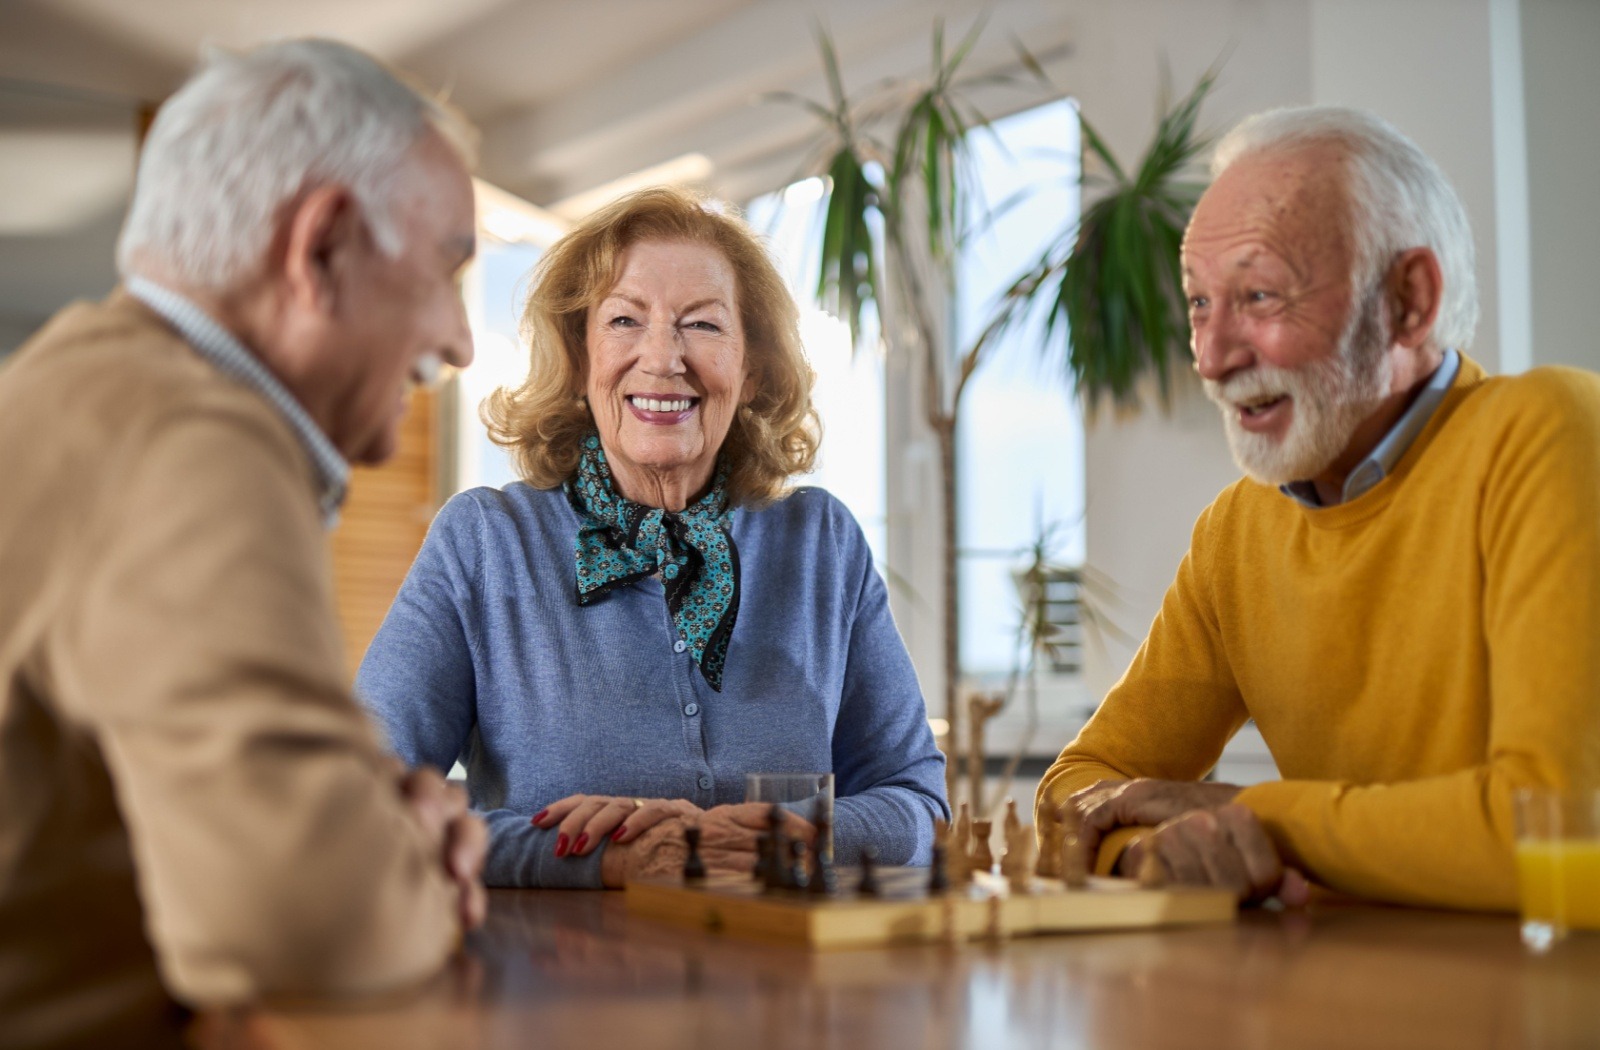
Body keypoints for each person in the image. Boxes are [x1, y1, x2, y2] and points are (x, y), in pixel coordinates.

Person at [0, 40, 488, 1048]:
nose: (460, 340)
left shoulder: (81, 383)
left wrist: (371, 827)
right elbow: (312, 919)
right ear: (320, 248)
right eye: (449, 269)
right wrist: (406, 865)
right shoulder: (192, 439)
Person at [1036, 106, 1600, 912]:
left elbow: (1559, 832)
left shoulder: (1551, 430)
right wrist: (1148, 845)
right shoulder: (1237, 530)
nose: (1212, 356)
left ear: (1409, 300)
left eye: (1259, 294)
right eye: (1199, 303)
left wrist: (1254, 817)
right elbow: (1080, 785)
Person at [357, 186, 948, 889]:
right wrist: (600, 859)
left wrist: (797, 835)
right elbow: (364, 805)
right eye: (625, 320)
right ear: (580, 359)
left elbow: (919, 804)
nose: (663, 357)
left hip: (787, 986)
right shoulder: (484, 541)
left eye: (702, 325)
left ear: (751, 371)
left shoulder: (822, 543)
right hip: (553, 987)